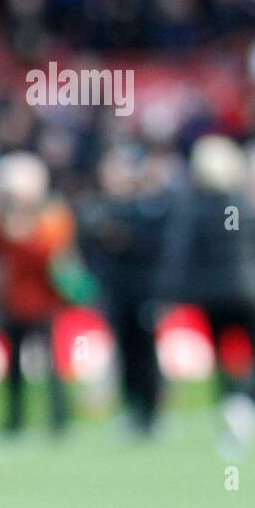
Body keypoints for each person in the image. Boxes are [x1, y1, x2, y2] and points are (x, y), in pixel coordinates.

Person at [158, 135, 255, 453]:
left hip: (210, 297)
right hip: (248, 294)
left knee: (223, 358)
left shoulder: (192, 208)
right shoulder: (240, 203)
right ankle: (248, 404)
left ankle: (233, 406)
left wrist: (171, 294)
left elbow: (178, 254)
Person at [0, 152, 75, 436]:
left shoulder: (51, 213)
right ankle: (14, 420)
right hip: (11, 301)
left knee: (51, 363)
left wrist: (25, 234)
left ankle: (59, 419)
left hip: (44, 300)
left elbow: (51, 252)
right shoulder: (0, 217)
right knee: (12, 365)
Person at [77, 143, 173, 436]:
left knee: (145, 350)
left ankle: (152, 410)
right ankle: (133, 409)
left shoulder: (149, 205)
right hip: (115, 292)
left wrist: (124, 238)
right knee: (124, 352)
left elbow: (156, 247)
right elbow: (89, 252)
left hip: (144, 290)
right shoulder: (98, 207)